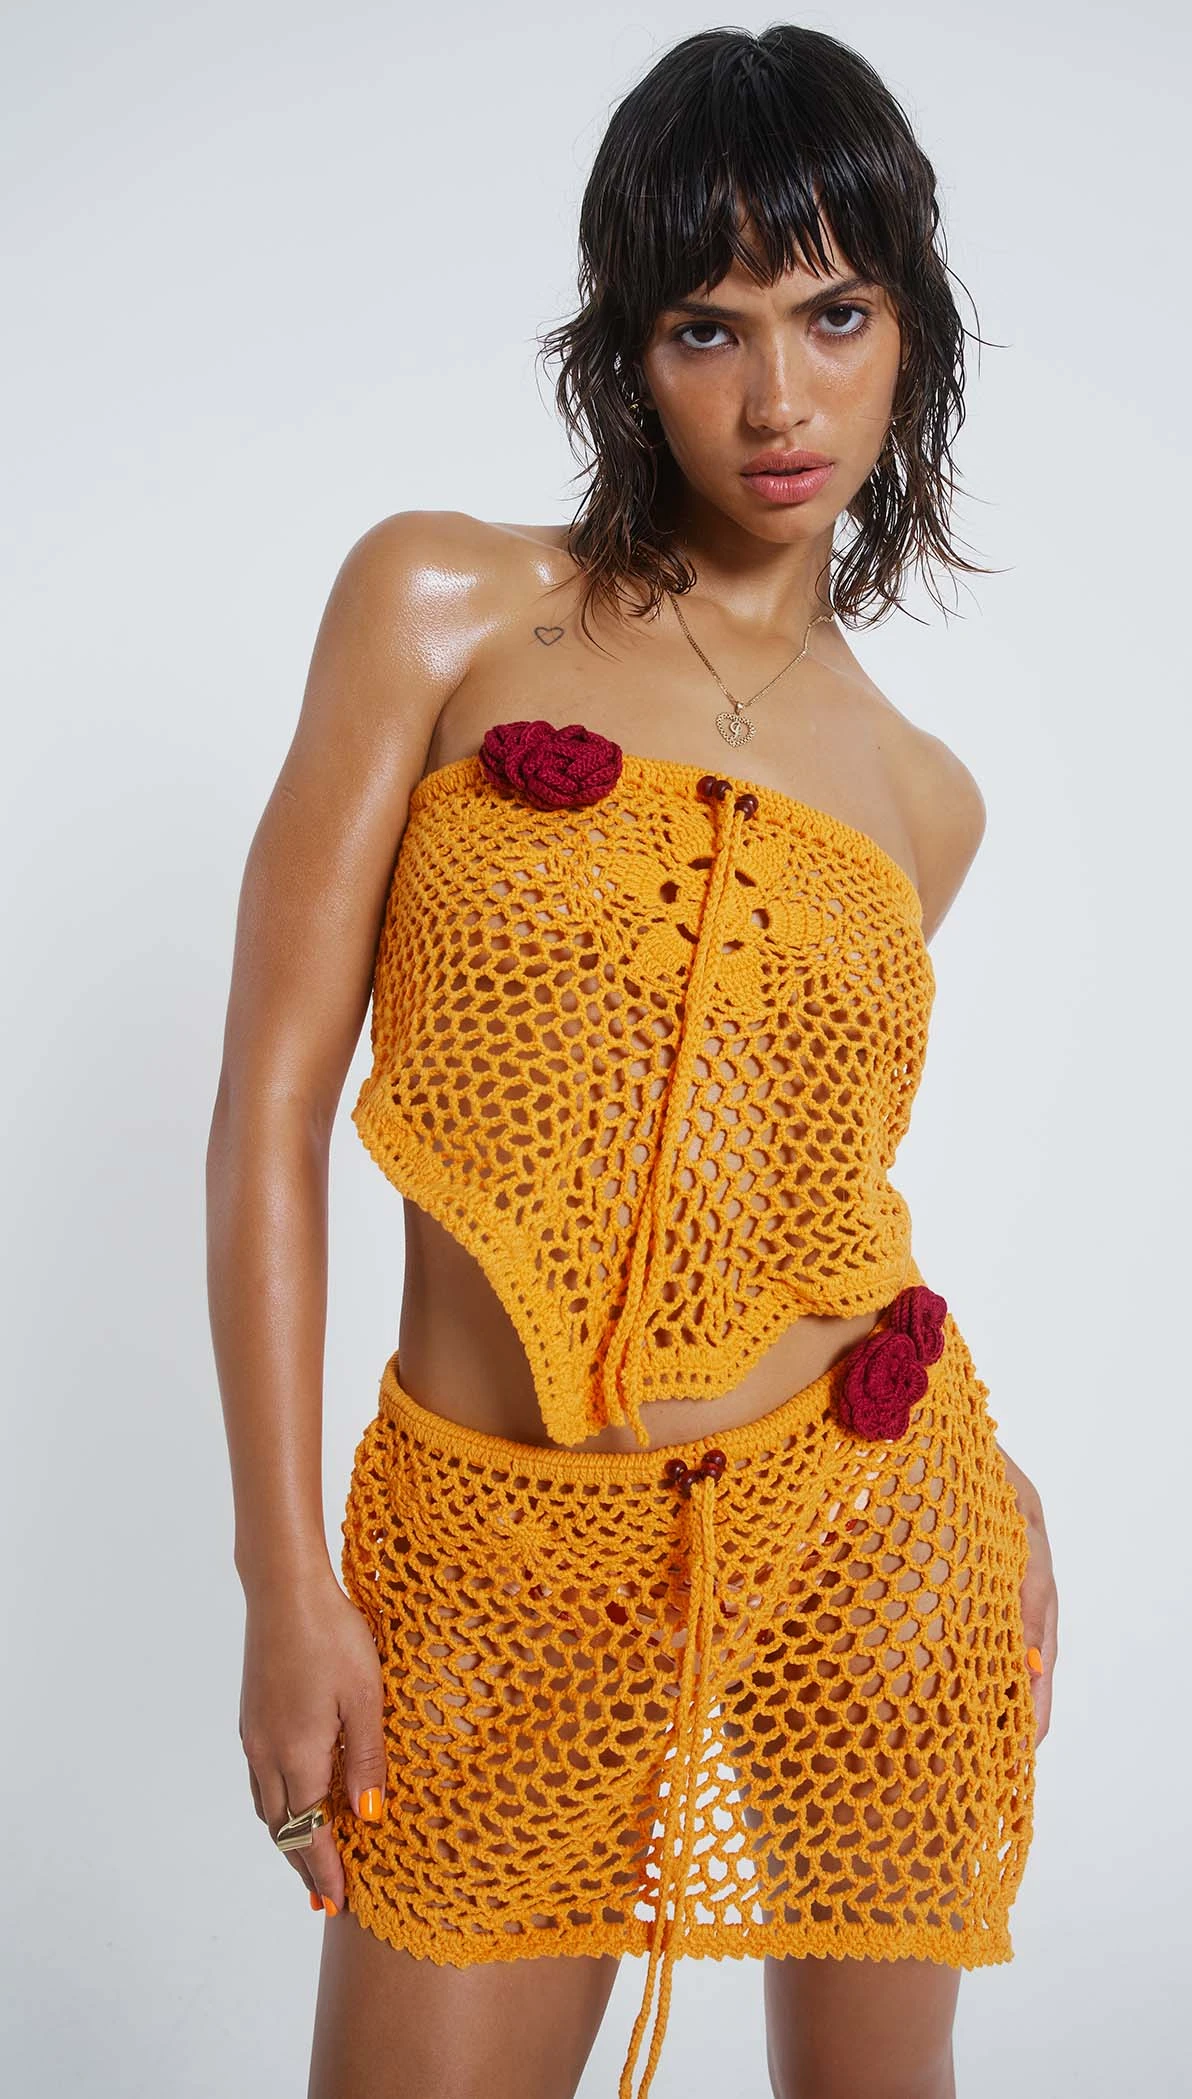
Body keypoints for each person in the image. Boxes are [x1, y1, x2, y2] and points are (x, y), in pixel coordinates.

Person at [207, 24, 1058, 2099]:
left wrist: (989, 1479)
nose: (777, 399)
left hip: (870, 1533)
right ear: (625, 350)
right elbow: (268, 1112)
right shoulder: (439, 607)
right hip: (489, 1557)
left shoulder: (922, 797)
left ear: (913, 333)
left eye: (834, 313)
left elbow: (789, 1201)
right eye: (707, 326)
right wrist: (283, 1576)